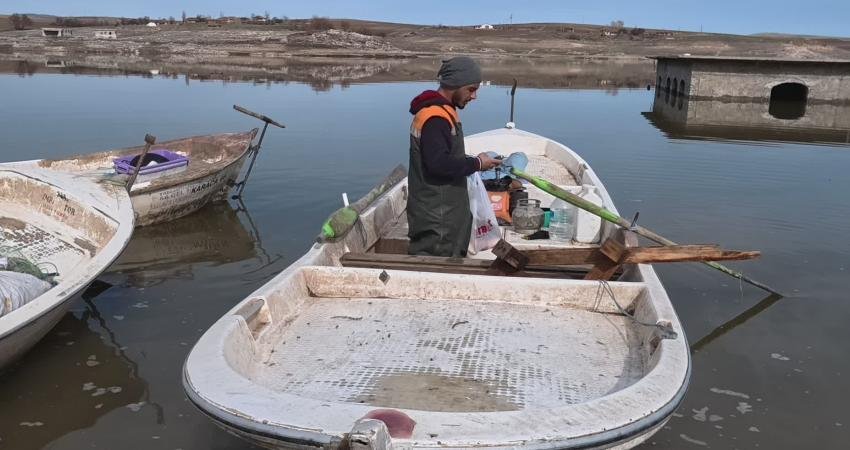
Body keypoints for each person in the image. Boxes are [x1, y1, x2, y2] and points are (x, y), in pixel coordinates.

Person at [407, 56, 501, 257]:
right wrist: (477, 163)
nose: (474, 96)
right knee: (434, 270)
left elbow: (441, 155)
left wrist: (475, 161)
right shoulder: (435, 118)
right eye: (471, 89)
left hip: (443, 213)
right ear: (455, 84)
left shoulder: (442, 112)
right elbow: (438, 164)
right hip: (438, 218)